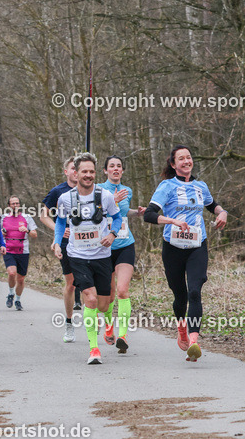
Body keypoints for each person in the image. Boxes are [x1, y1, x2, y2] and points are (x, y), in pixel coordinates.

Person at [143, 145, 227, 362]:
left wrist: (223, 213)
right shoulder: (167, 186)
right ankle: (181, 329)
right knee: (180, 295)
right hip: (173, 247)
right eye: (181, 158)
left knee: (195, 292)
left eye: (188, 157)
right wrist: (172, 220)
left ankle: (194, 341)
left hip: (197, 245)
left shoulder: (201, 186)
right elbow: (149, 215)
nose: (186, 161)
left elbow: (213, 205)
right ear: (173, 164)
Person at [53, 153, 121, 364]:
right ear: (76, 173)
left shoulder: (105, 196)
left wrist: (112, 234)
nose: (88, 175)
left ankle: (108, 322)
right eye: (84, 171)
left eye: (92, 171)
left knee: (103, 303)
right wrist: (57, 242)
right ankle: (93, 349)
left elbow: (117, 217)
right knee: (89, 299)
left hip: (101, 255)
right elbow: (60, 222)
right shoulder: (66, 198)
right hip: (78, 256)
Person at [96, 156, 138, 353]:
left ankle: (122, 335)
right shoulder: (97, 189)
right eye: (111, 166)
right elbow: (95, 213)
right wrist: (112, 200)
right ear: (105, 170)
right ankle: (108, 327)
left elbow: (122, 213)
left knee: (122, 290)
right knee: (109, 294)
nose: (115, 169)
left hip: (125, 244)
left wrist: (136, 213)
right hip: (104, 247)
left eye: (119, 166)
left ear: (122, 171)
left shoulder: (127, 190)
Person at [41, 157, 78, 342]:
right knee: (71, 284)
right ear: (66, 171)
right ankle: (69, 323)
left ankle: (90, 322)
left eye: (78, 168)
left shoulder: (91, 190)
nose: (76, 171)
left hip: (88, 242)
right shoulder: (58, 191)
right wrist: (58, 231)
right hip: (66, 242)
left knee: (89, 285)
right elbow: (43, 215)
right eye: (73, 168)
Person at [2, 195, 37, 310]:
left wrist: (27, 230)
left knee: (21, 279)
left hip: (23, 251)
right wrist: (1, 234)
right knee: (12, 273)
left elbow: (34, 234)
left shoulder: (27, 217)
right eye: (13, 204)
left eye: (17, 203)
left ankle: (17, 300)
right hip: (9, 249)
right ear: (9, 206)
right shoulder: (4, 218)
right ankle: (11, 293)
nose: (15, 206)